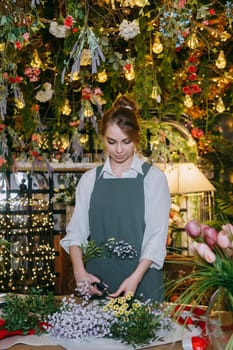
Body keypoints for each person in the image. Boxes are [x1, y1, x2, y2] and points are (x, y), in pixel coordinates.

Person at [60, 95, 171, 301]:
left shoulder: (154, 179)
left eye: (125, 142)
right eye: (112, 142)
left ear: (136, 138)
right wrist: (79, 273)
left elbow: (156, 238)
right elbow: (76, 233)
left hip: (143, 283)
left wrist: (135, 279)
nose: (119, 150)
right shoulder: (90, 180)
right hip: (98, 284)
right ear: (103, 138)